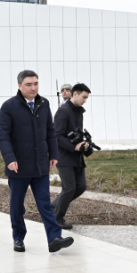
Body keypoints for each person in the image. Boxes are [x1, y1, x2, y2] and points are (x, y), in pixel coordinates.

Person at [0, 70, 74, 254]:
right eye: (29, 84)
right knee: (17, 206)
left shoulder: (44, 104)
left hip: (40, 165)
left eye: (36, 84)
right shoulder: (9, 107)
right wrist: (10, 159)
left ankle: (54, 238)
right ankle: (18, 238)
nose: (33, 88)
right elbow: (3, 135)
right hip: (18, 167)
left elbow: (50, 131)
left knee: (45, 203)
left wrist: (53, 153)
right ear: (19, 86)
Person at [53, 83, 93, 229]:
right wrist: (74, 146)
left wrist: (84, 145)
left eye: (87, 98)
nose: (85, 100)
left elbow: (76, 134)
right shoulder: (63, 111)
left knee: (81, 187)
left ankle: (54, 206)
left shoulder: (78, 112)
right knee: (69, 188)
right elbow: (56, 136)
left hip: (76, 157)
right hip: (63, 156)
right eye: (84, 97)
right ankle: (57, 218)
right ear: (75, 94)